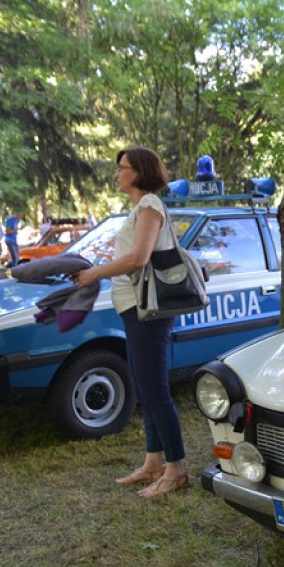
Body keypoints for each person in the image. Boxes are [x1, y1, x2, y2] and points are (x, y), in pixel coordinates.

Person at [73, 147, 188, 498]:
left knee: (155, 390)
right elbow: (134, 255)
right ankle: (153, 462)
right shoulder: (140, 208)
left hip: (148, 310)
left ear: (139, 172)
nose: (117, 174)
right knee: (143, 386)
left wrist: (94, 273)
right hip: (133, 308)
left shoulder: (150, 206)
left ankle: (177, 469)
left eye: (122, 168)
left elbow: (139, 259)